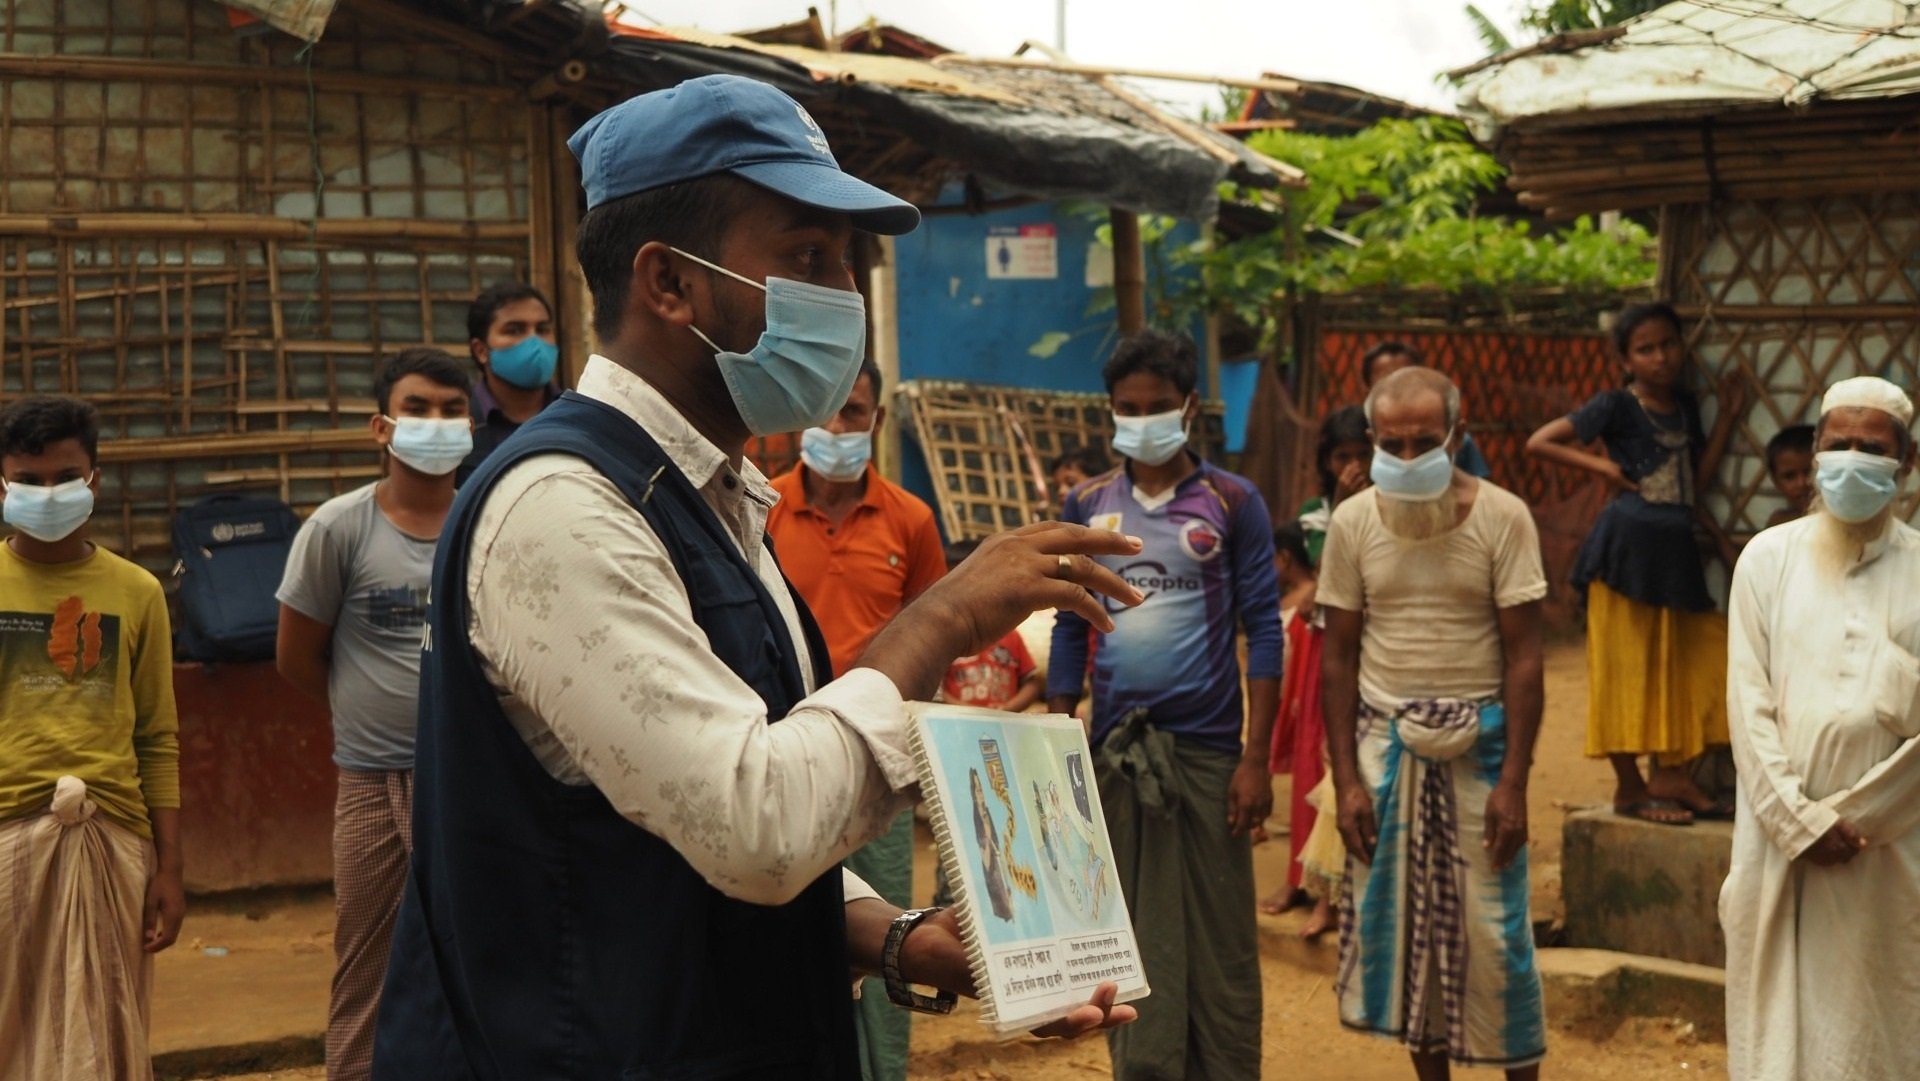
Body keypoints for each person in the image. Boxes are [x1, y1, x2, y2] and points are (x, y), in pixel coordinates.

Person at [372, 74, 1138, 1079]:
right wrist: (939, 618)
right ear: (669, 282)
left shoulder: (712, 494)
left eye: (847, 262)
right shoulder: (563, 505)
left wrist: (893, 936)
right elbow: (756, 827)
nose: (844, 298)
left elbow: (689, 808)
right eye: (807, 257)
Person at [1049, 329, 1281, 1081]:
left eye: (1157, 406)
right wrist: (1059, 733)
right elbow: (1069, 624)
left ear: (1188, 407)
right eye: (1128, 407)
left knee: (1221, 937)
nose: (1141, 419)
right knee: (1128, 936)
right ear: (1110, 410)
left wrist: (1256, 760)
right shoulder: (1088, 503)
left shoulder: (1233, 501)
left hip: (1210, 755)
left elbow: (1264, 630)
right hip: (1114, 757)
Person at [1323, 366, 1549, 1079]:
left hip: (1482, 752)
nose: (1408, 456)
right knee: (1407, 937)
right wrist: (1346, 783)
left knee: (1499, 937)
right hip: (1385, 754)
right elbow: (1337, 656)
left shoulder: (1504, 516)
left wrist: (1514, 782)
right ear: (1371, 438)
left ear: (1458, 435)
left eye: (1425, 442)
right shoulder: (1351, 522)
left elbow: (1525, 657)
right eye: (1393, 443)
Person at [275, 349, 471, 1081]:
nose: (435, 423)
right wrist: (370, 713)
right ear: (380, 427)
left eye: (451, 409)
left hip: (469, 781)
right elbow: (298, 657)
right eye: (417, 408)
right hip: (370, 783)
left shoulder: (486, 520)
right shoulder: (338, 529)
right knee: (368, 960)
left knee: (479, 951)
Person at [1721, 376, 1920, 1081]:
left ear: (1906, 462)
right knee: (1783, 1041)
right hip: (1779, 849)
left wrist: (1861, 818)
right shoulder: (1766, 560)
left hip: (1890, 853)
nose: (1853, 460)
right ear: (1815, 452)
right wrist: (1797, 822)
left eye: (1874, 448)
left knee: (1882, 1034)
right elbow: (1748, 707)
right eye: (1840, 444)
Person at [766, 359, 946, 1081]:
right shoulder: (759, 508)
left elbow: (935, 640)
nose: (836, 425)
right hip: (785, 752)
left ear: (877, 419)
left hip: (883, 763)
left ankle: (886, 1071)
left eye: (853, 411)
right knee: (794, 922)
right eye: (824, 408)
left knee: (890, 925)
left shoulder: (912, 519)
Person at [0, 396, 182, 1079]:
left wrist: (170, 867)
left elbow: (157, 736)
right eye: (30, 479)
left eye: (65, 477)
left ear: (94, 480)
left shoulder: (137, 591)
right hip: (7, 837)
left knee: (103, 1031)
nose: (49, 493)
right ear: (2, 485)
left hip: (114, 839)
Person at [1526, 302, 1744, 826]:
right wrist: (1602, 467)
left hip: (1674, 552)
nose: (1661, 357)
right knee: (1624, 668)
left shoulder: (1685, 405)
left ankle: (1672, 775)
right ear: (1625, 360)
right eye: (1646, 349)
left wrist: (1728, 418)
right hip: (1624, 550)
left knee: (1691, 661)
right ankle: (1630, 787)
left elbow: (1696, 479)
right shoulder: (1615, 406)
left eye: (1668, 344)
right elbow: (1540, 443)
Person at [1259, 522, 1333, 935]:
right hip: (1308, 696)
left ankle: (1329, 895)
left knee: (1330, 792)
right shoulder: (1305, 603)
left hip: (1336, 691)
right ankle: (1299, 878)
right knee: (1307, 786)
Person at [456, 282, 559, 485]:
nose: (534, 342)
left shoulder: (579, 416)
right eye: (515, 330)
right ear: (481, 351)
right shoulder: (460, 422)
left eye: (542, 329)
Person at [1363, 341, 1492, 480]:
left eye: (1425, 445)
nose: (1408, 460)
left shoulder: (1451, 438)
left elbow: (1480, 486)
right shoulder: (1353, 439)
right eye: (1392, 447)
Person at [939, 544, 1043, 714]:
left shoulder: (1010, 633)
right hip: (956, 721)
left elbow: (1031, 683)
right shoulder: (943, 638)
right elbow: (936, 691)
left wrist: (1008, 709)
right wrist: (965, 712)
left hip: (1003, 721)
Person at [1299, 405, 1372, 565]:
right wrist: (1340, 505)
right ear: (1327, 462)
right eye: (1343, 457)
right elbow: (1322, 565)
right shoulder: (1315, 510)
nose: (1355, 467)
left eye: (1363, 455)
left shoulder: (1389, 501)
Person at [1763, 424, 1815, 528]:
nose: (1802, 483)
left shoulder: (1843, 522)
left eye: (1810, 472)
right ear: (1776, 482)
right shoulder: (1779, 524)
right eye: (1789, 476)